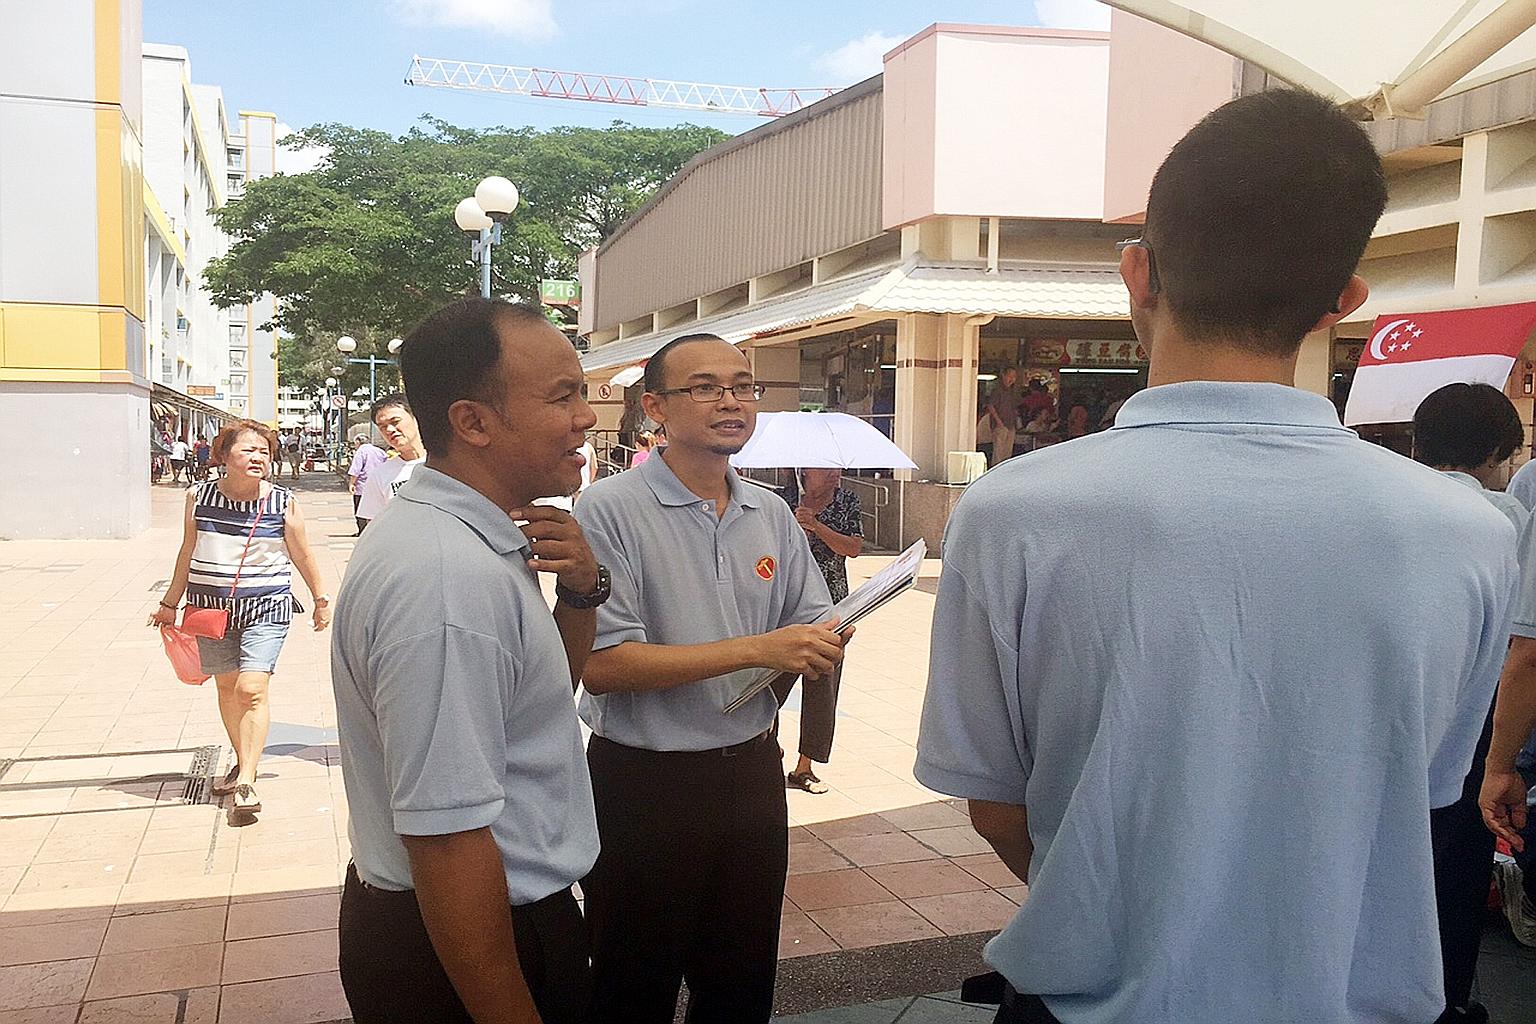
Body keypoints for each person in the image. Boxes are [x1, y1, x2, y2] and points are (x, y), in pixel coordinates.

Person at [914, 90, 1515, 1024]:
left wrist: (1134, 911)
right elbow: (1425, 787)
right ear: (1342, 303)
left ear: (1137, 274)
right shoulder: (1471, 530)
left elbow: (997, 806)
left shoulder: (1013, 512)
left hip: (1089, 1001)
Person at [331, 299, 603, 1024]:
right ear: (472, 422)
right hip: (467, 946)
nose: (587, 417)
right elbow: (448, 838)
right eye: (562, 396)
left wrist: (582, 592)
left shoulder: (467, 539)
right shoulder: (448, 578)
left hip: (476, 926)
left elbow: (533, 706)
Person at [574, 333, 848, 1024]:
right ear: (656, 407)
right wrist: (760, 648)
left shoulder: (771, 512)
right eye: (706, 387)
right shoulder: (609, 509)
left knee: (741, 981)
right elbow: (603, 666)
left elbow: (811, 622)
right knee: (633, 983)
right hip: (645, 784)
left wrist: (825, 639)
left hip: (752, 778)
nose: (731, 400)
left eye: (743, 385)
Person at [1412, 383, 1531, 1018]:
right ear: (1496, 450)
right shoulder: (1504, 518)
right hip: (1473, 715)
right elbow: (1523, 645)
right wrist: (1502, 759)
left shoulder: (1385, 503)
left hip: (1398, 707)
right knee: (1456, 868)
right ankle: (1446, 1000)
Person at [148, 420, 331, 816]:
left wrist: (320, 598)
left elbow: (302, 554)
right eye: (248, 450)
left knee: (251, 688)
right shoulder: (198, 496)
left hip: (266, 605)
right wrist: (169, 602)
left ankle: (247, 778)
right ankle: (241, 759)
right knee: (227, 688)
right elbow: (187, 550)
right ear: (223, 456)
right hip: (209, 609)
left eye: (264, 451)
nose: (258, 457)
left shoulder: (283, 502)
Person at [772, 468, 863, 794]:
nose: (835, 473)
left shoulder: (847, 502)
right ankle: (768, 752)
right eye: (827, 467)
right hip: (784, 610)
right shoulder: (781, 501)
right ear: (806, 470)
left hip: (833, 612)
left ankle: (804, 767)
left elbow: (852, 548)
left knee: (822, 693)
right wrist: (795, 531)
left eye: (837, 467)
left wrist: (816, 525)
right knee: (769, 690)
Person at [354, 394, 425, 525]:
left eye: (395, 422)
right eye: (382, 426)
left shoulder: (449, 462)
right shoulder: (379, 475)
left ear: (416, 418)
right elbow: (374, 525)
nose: (389, 430)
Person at [347, 434, 387, 534]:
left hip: (362, 486)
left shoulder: (360, 451)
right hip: (379, 484)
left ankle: (362, 531)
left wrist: (352, 483)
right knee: (377, 509)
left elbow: (356, 469)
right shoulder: (379, 451)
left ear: (357, 442)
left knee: (360, 509)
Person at [984, 367, 1023, 466]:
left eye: (1014, 377)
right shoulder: (997, 390)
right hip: (1000, 424)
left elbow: (1016, 407)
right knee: (999, 452)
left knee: (1007, 453)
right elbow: (991, 406)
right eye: (1010, 376)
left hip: (1011, 424)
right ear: (1003, 376)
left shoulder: (1013, 391)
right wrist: (999, 422)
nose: (1012, 379)